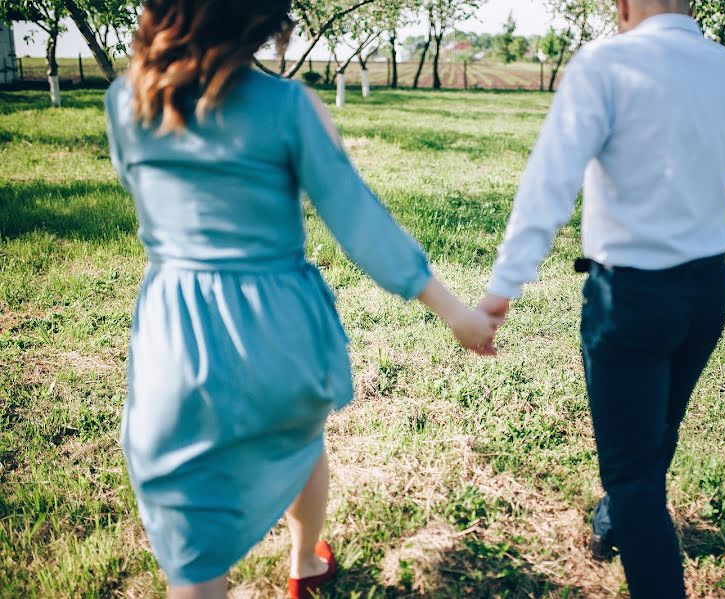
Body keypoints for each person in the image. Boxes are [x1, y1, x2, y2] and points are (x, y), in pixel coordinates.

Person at [105, 1, 500, 597]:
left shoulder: (125, 101)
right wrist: (455, 313)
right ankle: (305, 564)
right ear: (259, 21)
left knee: (188, 542)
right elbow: (360, 221)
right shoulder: (287, 106)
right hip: (278, 335)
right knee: (297, 444)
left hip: (175, 336)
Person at [478, 0, 725, 597]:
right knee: (659, 424)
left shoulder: (605, 62)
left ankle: (639, 546)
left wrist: (502, 291)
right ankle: (610, 522)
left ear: (623, 5)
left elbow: (550, 180)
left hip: (631, 296)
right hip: (708, 289)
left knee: (631, 478)